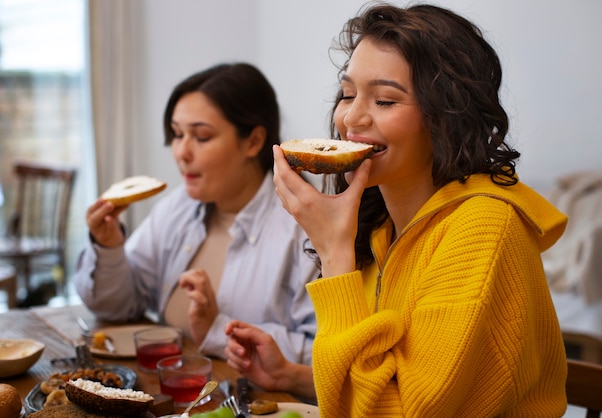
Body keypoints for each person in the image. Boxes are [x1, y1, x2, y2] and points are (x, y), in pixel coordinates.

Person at [230, 3, 569, 416]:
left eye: (386, 100)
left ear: (446, 117)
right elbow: (378, 383)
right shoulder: (382, 228)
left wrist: (334, 254)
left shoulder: (484, 230)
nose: (351, 118)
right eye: (348, 94)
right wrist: (289, 376)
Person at [73, 63, 319, 363]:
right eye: (177, 134)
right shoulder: (181, 206)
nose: (181, 152)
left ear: (253, 141)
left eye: (201, 137)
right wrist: (109, 248)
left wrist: (218, 329)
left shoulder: (303, 228)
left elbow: (321, 351)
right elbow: (117, 306)